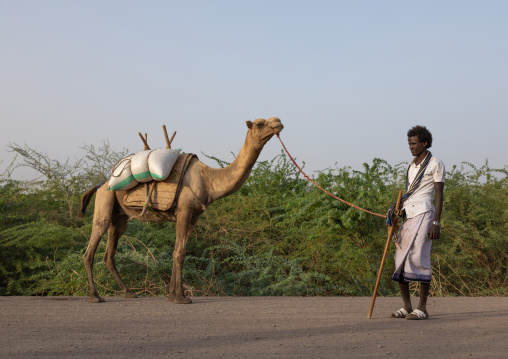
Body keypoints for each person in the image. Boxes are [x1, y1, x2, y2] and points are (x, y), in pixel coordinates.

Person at [389, 125, 445, 320]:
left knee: (419, 259)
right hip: (409, 216)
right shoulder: (411, 166)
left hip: (425, 215)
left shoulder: (435, 163)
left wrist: (436, 222)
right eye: (409, 144)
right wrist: (399, 212)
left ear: (424, 143)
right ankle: (406, 306)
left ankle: (422, 308)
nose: (411, 147)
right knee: (400, 259)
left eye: (414, 143)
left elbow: (439, 194)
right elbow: (410, 195)